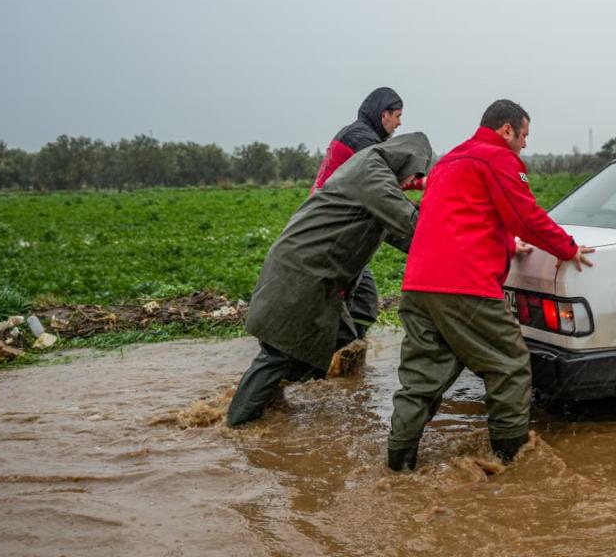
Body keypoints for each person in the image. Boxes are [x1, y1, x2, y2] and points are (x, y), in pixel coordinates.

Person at [386, 99, 594, 472]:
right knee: (510, 365)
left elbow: (467, 218)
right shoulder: (496, 157)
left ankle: (398, 464)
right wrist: (568, 248)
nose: (525, 145)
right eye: (524, 135)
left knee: (421, 378)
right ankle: (511, 461)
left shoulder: (449, 162)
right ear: (507, 130)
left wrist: (507, 246)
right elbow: (524, 216)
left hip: (418, 287)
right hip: (465, 287)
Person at [226, 132, 433, 427]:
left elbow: (404, 235)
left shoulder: (374, 176)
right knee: (279, 353)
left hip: (314, 273)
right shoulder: (372, 171)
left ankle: (268, 410)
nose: (410, 182)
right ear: (406, 159)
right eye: (414, 174)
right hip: (302, 271)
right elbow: (411, 225)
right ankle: (237, 426)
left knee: (334, 343)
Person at [311, 87, 408, 336]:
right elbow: (383, 191)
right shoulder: (363, 140)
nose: (399, 122)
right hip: (333, 232)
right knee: (344, 300)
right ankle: (336, 354)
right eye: (397, 115)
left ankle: (348, 360)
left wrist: (418, 181)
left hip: (333, 229)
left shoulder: (357, 134)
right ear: (383, 114)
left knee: (363, 300)